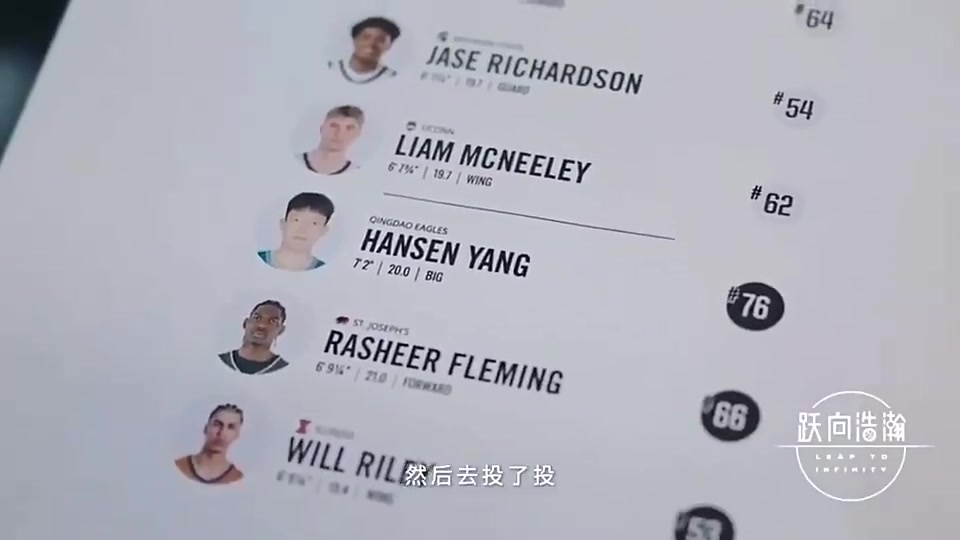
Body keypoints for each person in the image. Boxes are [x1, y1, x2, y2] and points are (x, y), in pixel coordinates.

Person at [258, 192, 334, 271]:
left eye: (314, 223)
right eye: (296, 220)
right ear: (283, 224)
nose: (303, 229)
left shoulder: (326, 271)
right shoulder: (256, 259)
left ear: (323, 231)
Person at [174, 404, 245, 485]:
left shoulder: (236, 478)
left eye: (231, 427)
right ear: (206, 428)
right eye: (217, 424)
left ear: (237, 434)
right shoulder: (180, 466)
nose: (222, 433)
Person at [219, 300, 289, 375]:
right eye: (257, 318)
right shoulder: (220, 361)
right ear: (245, 323)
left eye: (273, 321)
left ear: (281, 330)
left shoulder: (285, 370)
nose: (262, 325)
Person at [328, 16, 401, 85]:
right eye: (366, 37)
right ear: (354, 39)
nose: (371, 44)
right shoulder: (332, 68)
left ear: (389, 46)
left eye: (380, 40)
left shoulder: (392, 78)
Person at [302, 106, 364, 176]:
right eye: (334, 126)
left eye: (349, 128)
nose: (340, 133)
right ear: (322, 128)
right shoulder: (294, 163)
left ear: (358, 134)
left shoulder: (358, 175)